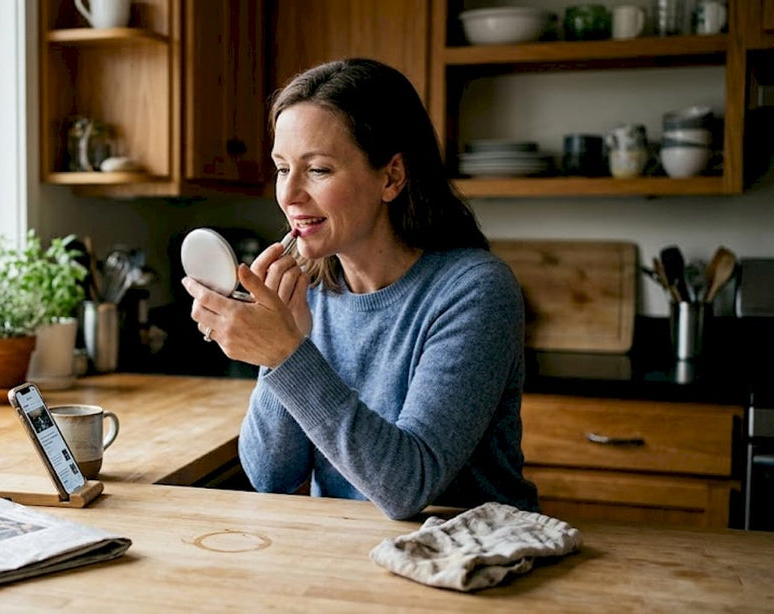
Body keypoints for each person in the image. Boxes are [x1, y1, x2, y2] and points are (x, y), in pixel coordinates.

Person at [181, 58, 538, 520]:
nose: (289, 195)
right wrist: (285, 346)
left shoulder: (476, 291)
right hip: (348, 563)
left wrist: (287, 355)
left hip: (471, 564)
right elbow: (271, 476)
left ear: (391, 176)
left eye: (319, 170)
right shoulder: (306, 289)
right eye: (281, 167)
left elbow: (409, 487)